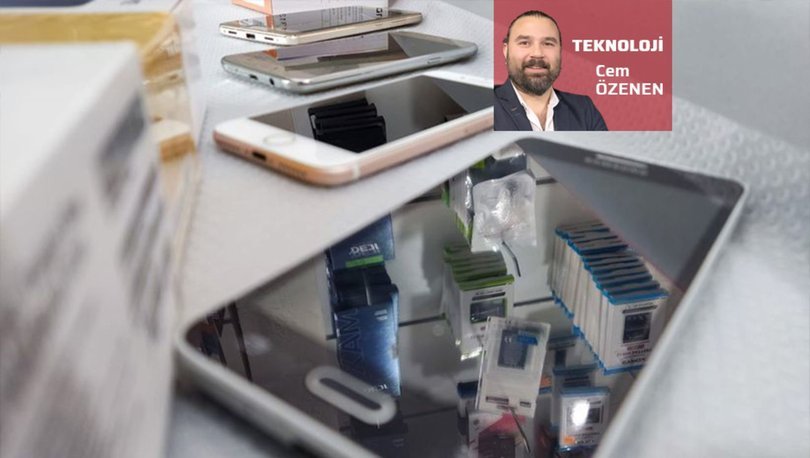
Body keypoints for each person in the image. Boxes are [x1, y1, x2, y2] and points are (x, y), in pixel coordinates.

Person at [495, 10, 608, 131]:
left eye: (548, 44)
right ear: (506, 51)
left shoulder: (584, 109)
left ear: (559, 52)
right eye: (525, 43)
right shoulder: (487, 105)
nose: (537, 53)